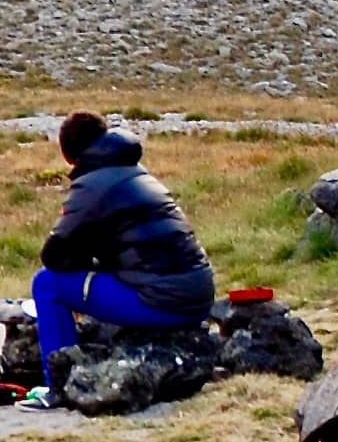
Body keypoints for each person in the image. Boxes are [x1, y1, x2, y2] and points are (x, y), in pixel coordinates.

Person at [20, 111, 215, 409]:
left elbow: (54, 254)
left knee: (47, 284)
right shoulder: (135, 172)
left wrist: (83, 263)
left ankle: (58, 385)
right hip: (197, 297)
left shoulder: (93, 185)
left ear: (69, 154)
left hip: (162, 301)